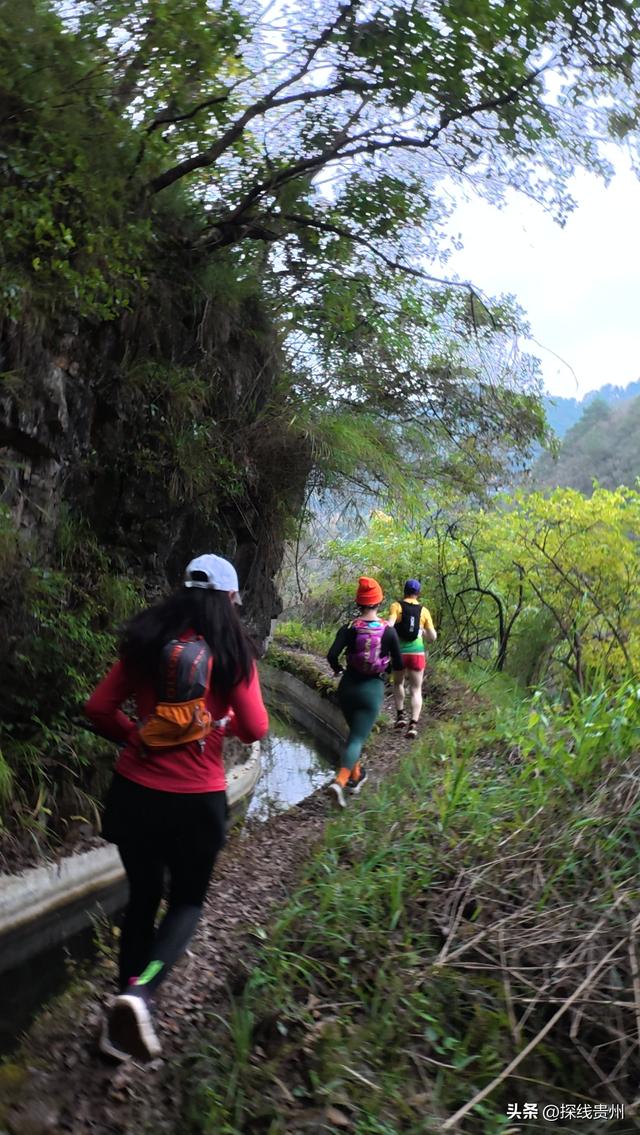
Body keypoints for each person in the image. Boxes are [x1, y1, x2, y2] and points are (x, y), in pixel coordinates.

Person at [85, 553, 269, 1062]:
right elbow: (255, 728)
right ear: (230, 599)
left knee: (142, 897)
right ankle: (140, 993)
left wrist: (136, 738)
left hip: (135, 794)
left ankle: (120, 1011)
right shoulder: (231, 652)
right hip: (196, 800)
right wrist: (222, 724)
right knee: (186, 901)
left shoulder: (145, 643)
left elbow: (98, 708)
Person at [326, 576, 402, 808]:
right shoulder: (388, 632)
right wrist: (392, 680)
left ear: (358, 603)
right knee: (357, 738)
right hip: (372, 689)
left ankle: (356, 776)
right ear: (379, 602)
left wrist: (338, 669)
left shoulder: (349, 628)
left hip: (347, 687)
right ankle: (340, 781)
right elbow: (398, 664)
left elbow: (331, 655)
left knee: (353, 736)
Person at [387, 578, 437, 739]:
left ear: (404, 591)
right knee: (416, 689)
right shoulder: (424, 611)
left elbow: (389, 626)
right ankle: (413, 725)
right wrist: (423, 631)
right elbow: (433, 637)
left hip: (399, 653)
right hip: (417, 653)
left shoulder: (396, 606)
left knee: (398, 683)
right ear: (418, 593)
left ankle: (400, 715)